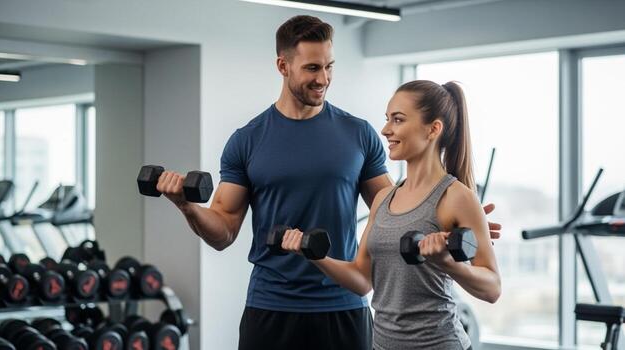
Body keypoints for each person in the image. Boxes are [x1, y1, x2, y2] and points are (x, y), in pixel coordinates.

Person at [155, 16, 501, 350]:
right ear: (283, 66)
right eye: (312, 68)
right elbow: (223, 231)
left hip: (344, 305)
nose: (323, 78)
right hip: (271, 305)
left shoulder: (358, 134)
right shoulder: (247, 141)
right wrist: (186, 206)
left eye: (329, 66)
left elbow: (393, 208)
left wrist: (458, 221)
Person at [281, 80, 502, 350]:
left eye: (398, 120)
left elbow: (492, 288)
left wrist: (449, 264)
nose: (386, 130)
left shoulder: (457, 197)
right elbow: (362, 280)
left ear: (433, 129)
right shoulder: (384, 198)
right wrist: (315, 256)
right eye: (387, 119)